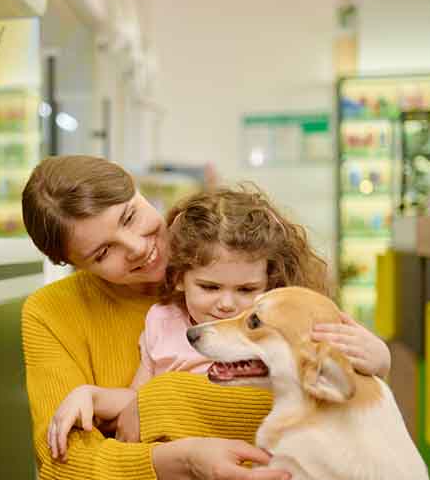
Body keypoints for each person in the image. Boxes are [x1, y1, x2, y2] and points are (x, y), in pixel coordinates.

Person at [10, 156, 390, 480]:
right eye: (102, 252)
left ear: (136, 187)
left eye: (130, 215)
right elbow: (66, 474)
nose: (135, 247)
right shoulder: (60, 313)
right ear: (70, 263)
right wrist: (188, 458)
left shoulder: (234, 260)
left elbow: (316, 405)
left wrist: (158, 405)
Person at [46, 188, 388, 463]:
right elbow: (135, 402)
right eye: (209, 287)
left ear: (270, 283)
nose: (226, 304)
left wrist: (379, 358)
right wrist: (88, 395)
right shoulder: (163, 323)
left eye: (246, 290)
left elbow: (344, 380)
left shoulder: (282, 327)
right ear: (179, 278)